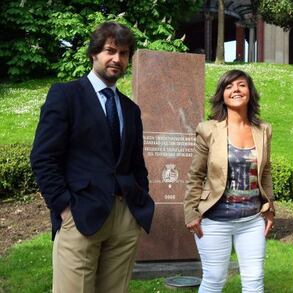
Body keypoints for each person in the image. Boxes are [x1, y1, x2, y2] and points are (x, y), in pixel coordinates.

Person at [30, 22, 154, 292]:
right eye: (110, 51)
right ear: (94, 54)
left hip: (124, 218)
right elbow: (43, 157)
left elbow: (136, 164)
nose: (116, 59)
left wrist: (137, 203)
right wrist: (63, 207)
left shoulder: (130, 109)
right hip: (80, 214)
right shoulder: (66, 95)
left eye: (123, 54)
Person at [183, 69, 275, 293]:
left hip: (252, 220)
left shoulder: (263, 130)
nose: (236, 90)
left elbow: (265, 171)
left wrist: (270, 207)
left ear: (250, 92)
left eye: (242, 85)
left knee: (254, 281)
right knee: (214, 280)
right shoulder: (208, 130)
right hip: (214, 221)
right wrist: (191, 212)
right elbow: (196, 174)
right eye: (229, 86)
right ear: (222, 94)